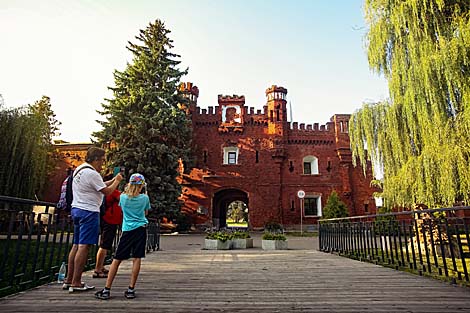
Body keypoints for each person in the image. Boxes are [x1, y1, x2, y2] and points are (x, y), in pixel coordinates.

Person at [62, 147, 123, 293]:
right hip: (89, 212)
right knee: (84, 246)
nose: (103, 163)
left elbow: (99, 186)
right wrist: (118, 181)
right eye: (102, 160)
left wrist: (112, 180)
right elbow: (107, 192)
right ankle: (76, 282)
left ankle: (68, 280)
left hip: (76, 209)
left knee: (76, 245)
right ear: (95, 159)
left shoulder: (80, 170)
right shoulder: (92, 173)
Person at [95, 173, 151, 300]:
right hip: (141, 229)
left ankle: (107, 289)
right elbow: (145, 212)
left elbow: (123, 210)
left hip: (127, 230)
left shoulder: (123, 197)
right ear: (141, 185)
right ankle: (131, 289)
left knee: (117, 259)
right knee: (137, 258)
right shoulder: (145, 198)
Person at [93, 173, 123, 278]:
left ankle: (100, 266)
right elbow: (122, 199)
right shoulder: (112, 192)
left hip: (109, 220)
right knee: (104, 245)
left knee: (105, 244)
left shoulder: (109, 192)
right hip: (109, 220)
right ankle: (97, 269)